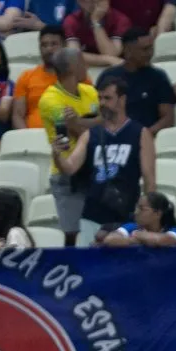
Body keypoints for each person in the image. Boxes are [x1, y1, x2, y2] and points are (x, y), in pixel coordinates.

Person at [52, 75, 156, 247]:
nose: (102, 103)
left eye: (108, 98)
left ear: (122, 100)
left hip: (125, 215)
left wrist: (146, 219)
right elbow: (69, 168)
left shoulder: (140, 133)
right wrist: (56, 155)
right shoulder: (90, 134)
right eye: (99, 98)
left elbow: (150, 182)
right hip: (91, 214)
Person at [39, 47, 101, 248]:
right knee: (73, 234)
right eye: (83, 62)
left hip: (93, 171)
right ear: (72, 68)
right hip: (68, 175)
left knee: (97, 233)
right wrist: (93, 122)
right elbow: (77, 131)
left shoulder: (90, 91)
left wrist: (83, 121)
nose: (87, 65)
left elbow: (108, 119)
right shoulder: (50, 100)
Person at [97, 28, 176, 135]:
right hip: (111, 137)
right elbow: (101, 114)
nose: (150, 53)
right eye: (145, 49)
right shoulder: (108, 76)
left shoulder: (158, 77)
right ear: (128, 50)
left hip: (147, 139)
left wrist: (144, 136)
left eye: (151, 48)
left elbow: (168, 118)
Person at [12, 25, 75, 130]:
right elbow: (17, 116)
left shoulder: (78, 77)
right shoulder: (26, 77)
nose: (48, 49)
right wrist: (26, 137)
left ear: (64, 46)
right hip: (32, 138)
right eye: (44, 45)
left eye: (54, 44)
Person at [64, 0, 132, 67]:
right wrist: (107, 59)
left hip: (114, 70)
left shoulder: (120, 20)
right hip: (87, 68)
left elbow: (111, 53)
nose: (97, 4)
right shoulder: (72, 21)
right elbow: (73, 55)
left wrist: (96, 21)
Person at [103, 191, 176, 247]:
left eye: (142, 209)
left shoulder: (175, 232)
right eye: (137, 208)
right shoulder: (132, 227)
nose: (136, 212)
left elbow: (162, 241)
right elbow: (109, 240)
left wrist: (138, 235)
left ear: (158, 213)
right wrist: (134, 241)